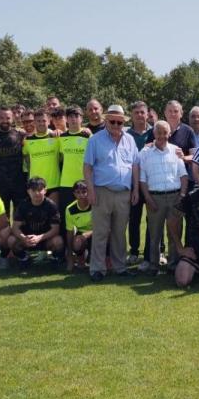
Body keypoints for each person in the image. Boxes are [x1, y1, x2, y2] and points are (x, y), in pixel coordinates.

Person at [83, 104, 137, 281]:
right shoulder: (95, 140)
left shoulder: (130, 140)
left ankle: (119, 267)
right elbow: (87, 167)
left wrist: (135, 189)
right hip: (102, 191)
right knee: (100, 232)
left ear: (123, 123)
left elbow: (135, 166)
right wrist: (90, 190)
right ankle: (97, 269)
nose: (115, 125)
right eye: (112, 121)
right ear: (106, 121)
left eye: (119, 122)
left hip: (123, 193)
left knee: (119, 232)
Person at [134, 121, 189, 274]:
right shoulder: (144, 153)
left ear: (169, 134)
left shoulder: (176, 151)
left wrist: (182, 196)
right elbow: (142, 179)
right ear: (154, 134)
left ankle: (173, 264)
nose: (162, 136)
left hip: (175, 197)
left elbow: (183, 175)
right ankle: (154, 265)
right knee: (154, 234)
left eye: (165, 132)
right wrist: (148, 199)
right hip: (154, 198)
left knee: (174, 233)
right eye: (158, 132)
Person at [0, 177, 64, 269]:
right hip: (27, 239)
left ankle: (54, 259)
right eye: (33, 190)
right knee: (11, 240)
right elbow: (15, 227)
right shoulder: (23, 205)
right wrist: (24, 238)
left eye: (40, 190)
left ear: (45, 190)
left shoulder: (51, 205)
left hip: (45, 239)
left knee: (58, 241)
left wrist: (39, 237)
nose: (37, 193)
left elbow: (55, 229)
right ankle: (24, 258)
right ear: (28, 191)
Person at [124, 101, 151, 263]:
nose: (140, 115)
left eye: (143, 112)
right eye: (136, 113)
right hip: (133, 183)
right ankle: (134, 251)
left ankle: (157, 251)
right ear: (132, 116)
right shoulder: (126, 135)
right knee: (134, 218)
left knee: (154, 219)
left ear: (147, 114)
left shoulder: (155, 132)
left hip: (152, 182)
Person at [23, 108, 61, 204]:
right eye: (38, 121)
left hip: (53, 183)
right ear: (34, 122)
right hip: (35, 185)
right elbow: (26, 160)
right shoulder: (27, 140)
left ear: (49, 121)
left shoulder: (56, 137)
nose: (41, 123)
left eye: (44, 120)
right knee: (37, 216)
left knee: (53, 215)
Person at [64, 180, 93, 271]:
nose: (81, 195)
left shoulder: (95, 204)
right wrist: (69, 253)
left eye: (84, 192)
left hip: (97, 232)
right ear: (74, 194)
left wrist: (89, 233)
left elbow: (105, 226)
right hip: (82, 235)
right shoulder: (70, 209)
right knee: (77, 242)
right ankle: (81, 260)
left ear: (89, 192)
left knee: (107, 235)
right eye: (78, 192)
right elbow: (70, 231)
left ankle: (106, 260)